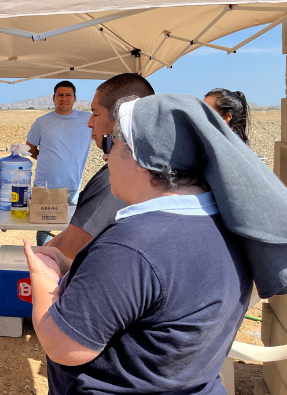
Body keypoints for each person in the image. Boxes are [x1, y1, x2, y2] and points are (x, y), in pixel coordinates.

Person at [25, 93, 287, 394]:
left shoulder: (132, 246)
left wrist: (44, 276)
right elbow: (157, 297)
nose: (106, 156)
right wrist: (76, 269)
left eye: (112, 144)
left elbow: (63, 346)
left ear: (142, 157)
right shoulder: (223, 225)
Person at [44, 73, 155, 259]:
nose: (89, 123)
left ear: (122, 118)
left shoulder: (122, 174)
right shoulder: (149, 163)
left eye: (96, 114)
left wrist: (47, 251)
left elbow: (69, 250)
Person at [26, 81, 91, 246]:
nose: (64, 98)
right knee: (43, 227)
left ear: (75, 98)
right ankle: (43, 258)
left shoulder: (86, 120)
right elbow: (30, 148)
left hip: (72, 186)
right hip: (45, 186)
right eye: (60, 95)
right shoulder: (42, 122)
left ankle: (66, 263)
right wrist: (47, 159)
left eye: (68, 95)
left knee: (73, 227)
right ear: (53, 98)